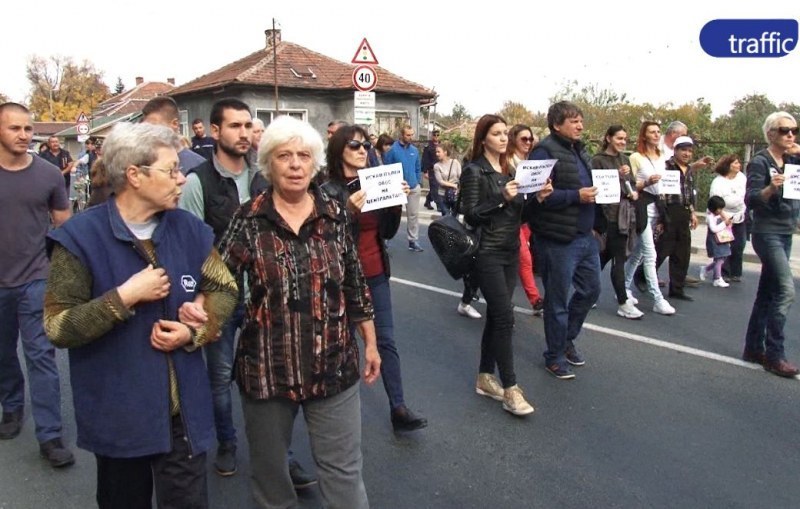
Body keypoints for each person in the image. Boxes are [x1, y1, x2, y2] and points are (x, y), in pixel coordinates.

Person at [44, 122, 238, 507]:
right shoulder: (80, 238)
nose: (182, 179)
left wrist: (195, 328)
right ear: (134, 175)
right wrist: (123, 297)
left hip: (181, 412)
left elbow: (224, 288)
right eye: (171, 170)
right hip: (120, 412)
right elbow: (57, 326)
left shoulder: (189, 228)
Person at [218, 115, 380, 509]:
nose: (294, 164)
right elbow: (219, 282)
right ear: (268, 164)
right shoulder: (248, 219)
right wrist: (198, 322)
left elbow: (354, 283)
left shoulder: (336, 214)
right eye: (284, 156)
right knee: (272, 480)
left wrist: (371, 342)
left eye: (304, 155)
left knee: (343, 475)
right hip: (268, 371)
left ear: (315, 163)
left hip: (333, 365)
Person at [323, 124, 427, 433]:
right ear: (339, 149)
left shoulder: (375, 180)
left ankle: (398, 406)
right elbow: (323, 238)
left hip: (375, 272)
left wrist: (395, 206)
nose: (362, 150)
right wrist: (347, 210)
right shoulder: (325, 188)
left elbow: (387, 232)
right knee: (340, 346)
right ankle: (334, 414)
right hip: (340, 279)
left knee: (386, 341)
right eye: (354, 145)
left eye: (365, 145)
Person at [0, 102, 74, 468]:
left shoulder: (48, 174)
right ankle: (11, 408)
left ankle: (50, 436)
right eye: (15, 128)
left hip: (35, 279)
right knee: (2, 354)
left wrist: (59, 270)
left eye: (28, 129)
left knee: (41, 357)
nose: (24, 135)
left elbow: (64, 222)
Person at [461, 114, 549, 415]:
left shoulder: (512, 168)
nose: (502, 138)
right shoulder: (474, 171)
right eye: (496, 133)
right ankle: (511, 388)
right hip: (486, 252)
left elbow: (518, 216)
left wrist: (536, 199)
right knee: (505, 318)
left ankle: (485, 377)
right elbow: (469, 214)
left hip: (511, 250)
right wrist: (501, 196)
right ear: (483, 138)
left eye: (505, 133)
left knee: (497, 318)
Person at [527, 101, 600, 380]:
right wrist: (575, 196)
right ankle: (555, 356)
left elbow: (591, 188)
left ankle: (566, 338)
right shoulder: (544, 152)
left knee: (591, 291)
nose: (580, 125)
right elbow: (533, 195)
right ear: (557, 125)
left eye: (581, 120)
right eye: (573, 121)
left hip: (585, 237)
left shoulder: (580, 150)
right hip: (557, 240)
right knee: (557, 300)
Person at [743, 111, 800, 377]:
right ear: (770, 134)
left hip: (786, 230)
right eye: (784, 130)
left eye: (794, 130)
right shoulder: (760, 162)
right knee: (786, 290)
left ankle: (753, 348)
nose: (790, 134)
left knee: (767, 292)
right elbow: (752, 199)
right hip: (767, 233)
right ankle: (775, 355)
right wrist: (770, 188)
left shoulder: (792, 160)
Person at [590, 125, 644, 319]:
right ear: (608, 138)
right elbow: (597, 186)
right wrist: (617, 175)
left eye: (625, 139)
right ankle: (622, 302)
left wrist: (633, 191)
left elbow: (629, 185)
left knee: (604, 257)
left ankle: (589, 292)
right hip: (607, 216)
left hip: (624, 215)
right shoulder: (597, 160)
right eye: (619, 138)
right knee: (617, 260)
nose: (622, 142)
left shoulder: (625, 158)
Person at [625, 121, 675, 316]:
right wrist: (646, 182)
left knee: (638, 253)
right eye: (651, 132)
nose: (656, 135)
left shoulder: (663, 157)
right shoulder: (636, 157)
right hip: (642, 206)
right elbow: (629, 184)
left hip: (658, 206)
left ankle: (624, 287)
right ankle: (657, 299)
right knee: (650, 253)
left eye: (658, 132)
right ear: (644, 136)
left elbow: (671, 181)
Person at [653, 136, 699, 302]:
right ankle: (643, 276)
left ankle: (677, 289)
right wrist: (661, 218)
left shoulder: (689, 170)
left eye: (689, 151)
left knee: (682, 253)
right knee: (662, 250)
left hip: (684, 213)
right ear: (675, 150)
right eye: (683, 150)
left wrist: (693, 212)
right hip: (669, 212)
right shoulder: (666, 166)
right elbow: (661, 194)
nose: (686, 154)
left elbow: (690, 194)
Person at [509, 124, 544, 315]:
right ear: (513, 139)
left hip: (526, 217)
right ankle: (535, 299)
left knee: (521, 259)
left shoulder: (531, 163)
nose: (528, 143)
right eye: (524, 139)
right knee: (524, 257)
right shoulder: (507, 162)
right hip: (510, 218)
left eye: (531, 140)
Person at [384, 125, 424, 252]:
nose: (411, 137)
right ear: (401, 135)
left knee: (413, 215)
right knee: (391, 214)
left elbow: (418, 167)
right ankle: (385, 238)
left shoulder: (415, 150)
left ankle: (413, 241)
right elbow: (386, 168)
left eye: (412, 134)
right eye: (408, 135)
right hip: (397, 188)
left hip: (412, 187)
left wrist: (418, 182)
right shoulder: (392, 150)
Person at [142, 96, 207, 175]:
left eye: (154, 127)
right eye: (146, 128)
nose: (150, 133)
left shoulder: (200, 166)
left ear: (175, 124)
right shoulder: (145, 166)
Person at [709, 154, 747, 282]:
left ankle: (736, 272)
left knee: (739, 245)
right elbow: (715, 201)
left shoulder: (742, 177)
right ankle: (723, 272)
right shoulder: (718, 182)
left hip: (739, 215)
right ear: (728, 166)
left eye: (738, 163)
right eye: (735, 163)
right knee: (723, 246)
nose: (738, 165)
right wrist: (725, 218)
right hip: (723, 216)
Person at [699, 196, 732, 288]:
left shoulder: (719, 215)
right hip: (715, 241)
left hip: (722, 239)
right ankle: (717, 278)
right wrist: (724, 223)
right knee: (719, 259)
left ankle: (706, 269)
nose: (721, 210)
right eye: (719, 209)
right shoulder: (710, 217)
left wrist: (726, 219)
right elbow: (714, 229)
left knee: (723, 258)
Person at [433, 141, 461, 216]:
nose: (437, 154)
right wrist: (453, 185)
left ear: (445, 152)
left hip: (455, 194)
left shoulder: (455, 162)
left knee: (455, 218)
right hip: (443, 195)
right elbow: (440, 181)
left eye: (439, 152)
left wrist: (458, 188)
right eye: (436, 152)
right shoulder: (437, 166)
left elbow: (460, 176)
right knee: (446, 217)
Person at [422, 129, 441, 211]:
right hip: (431, 169)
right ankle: (439, 204)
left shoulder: (441, 145)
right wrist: (425, 171)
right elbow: (425, 159)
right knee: (435, 187)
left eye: (438, 135)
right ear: (432, 136)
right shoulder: (428, 146)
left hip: (440, 169)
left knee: (436, 187)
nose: (436, 137)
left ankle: (428, 201)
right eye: (434, 135)